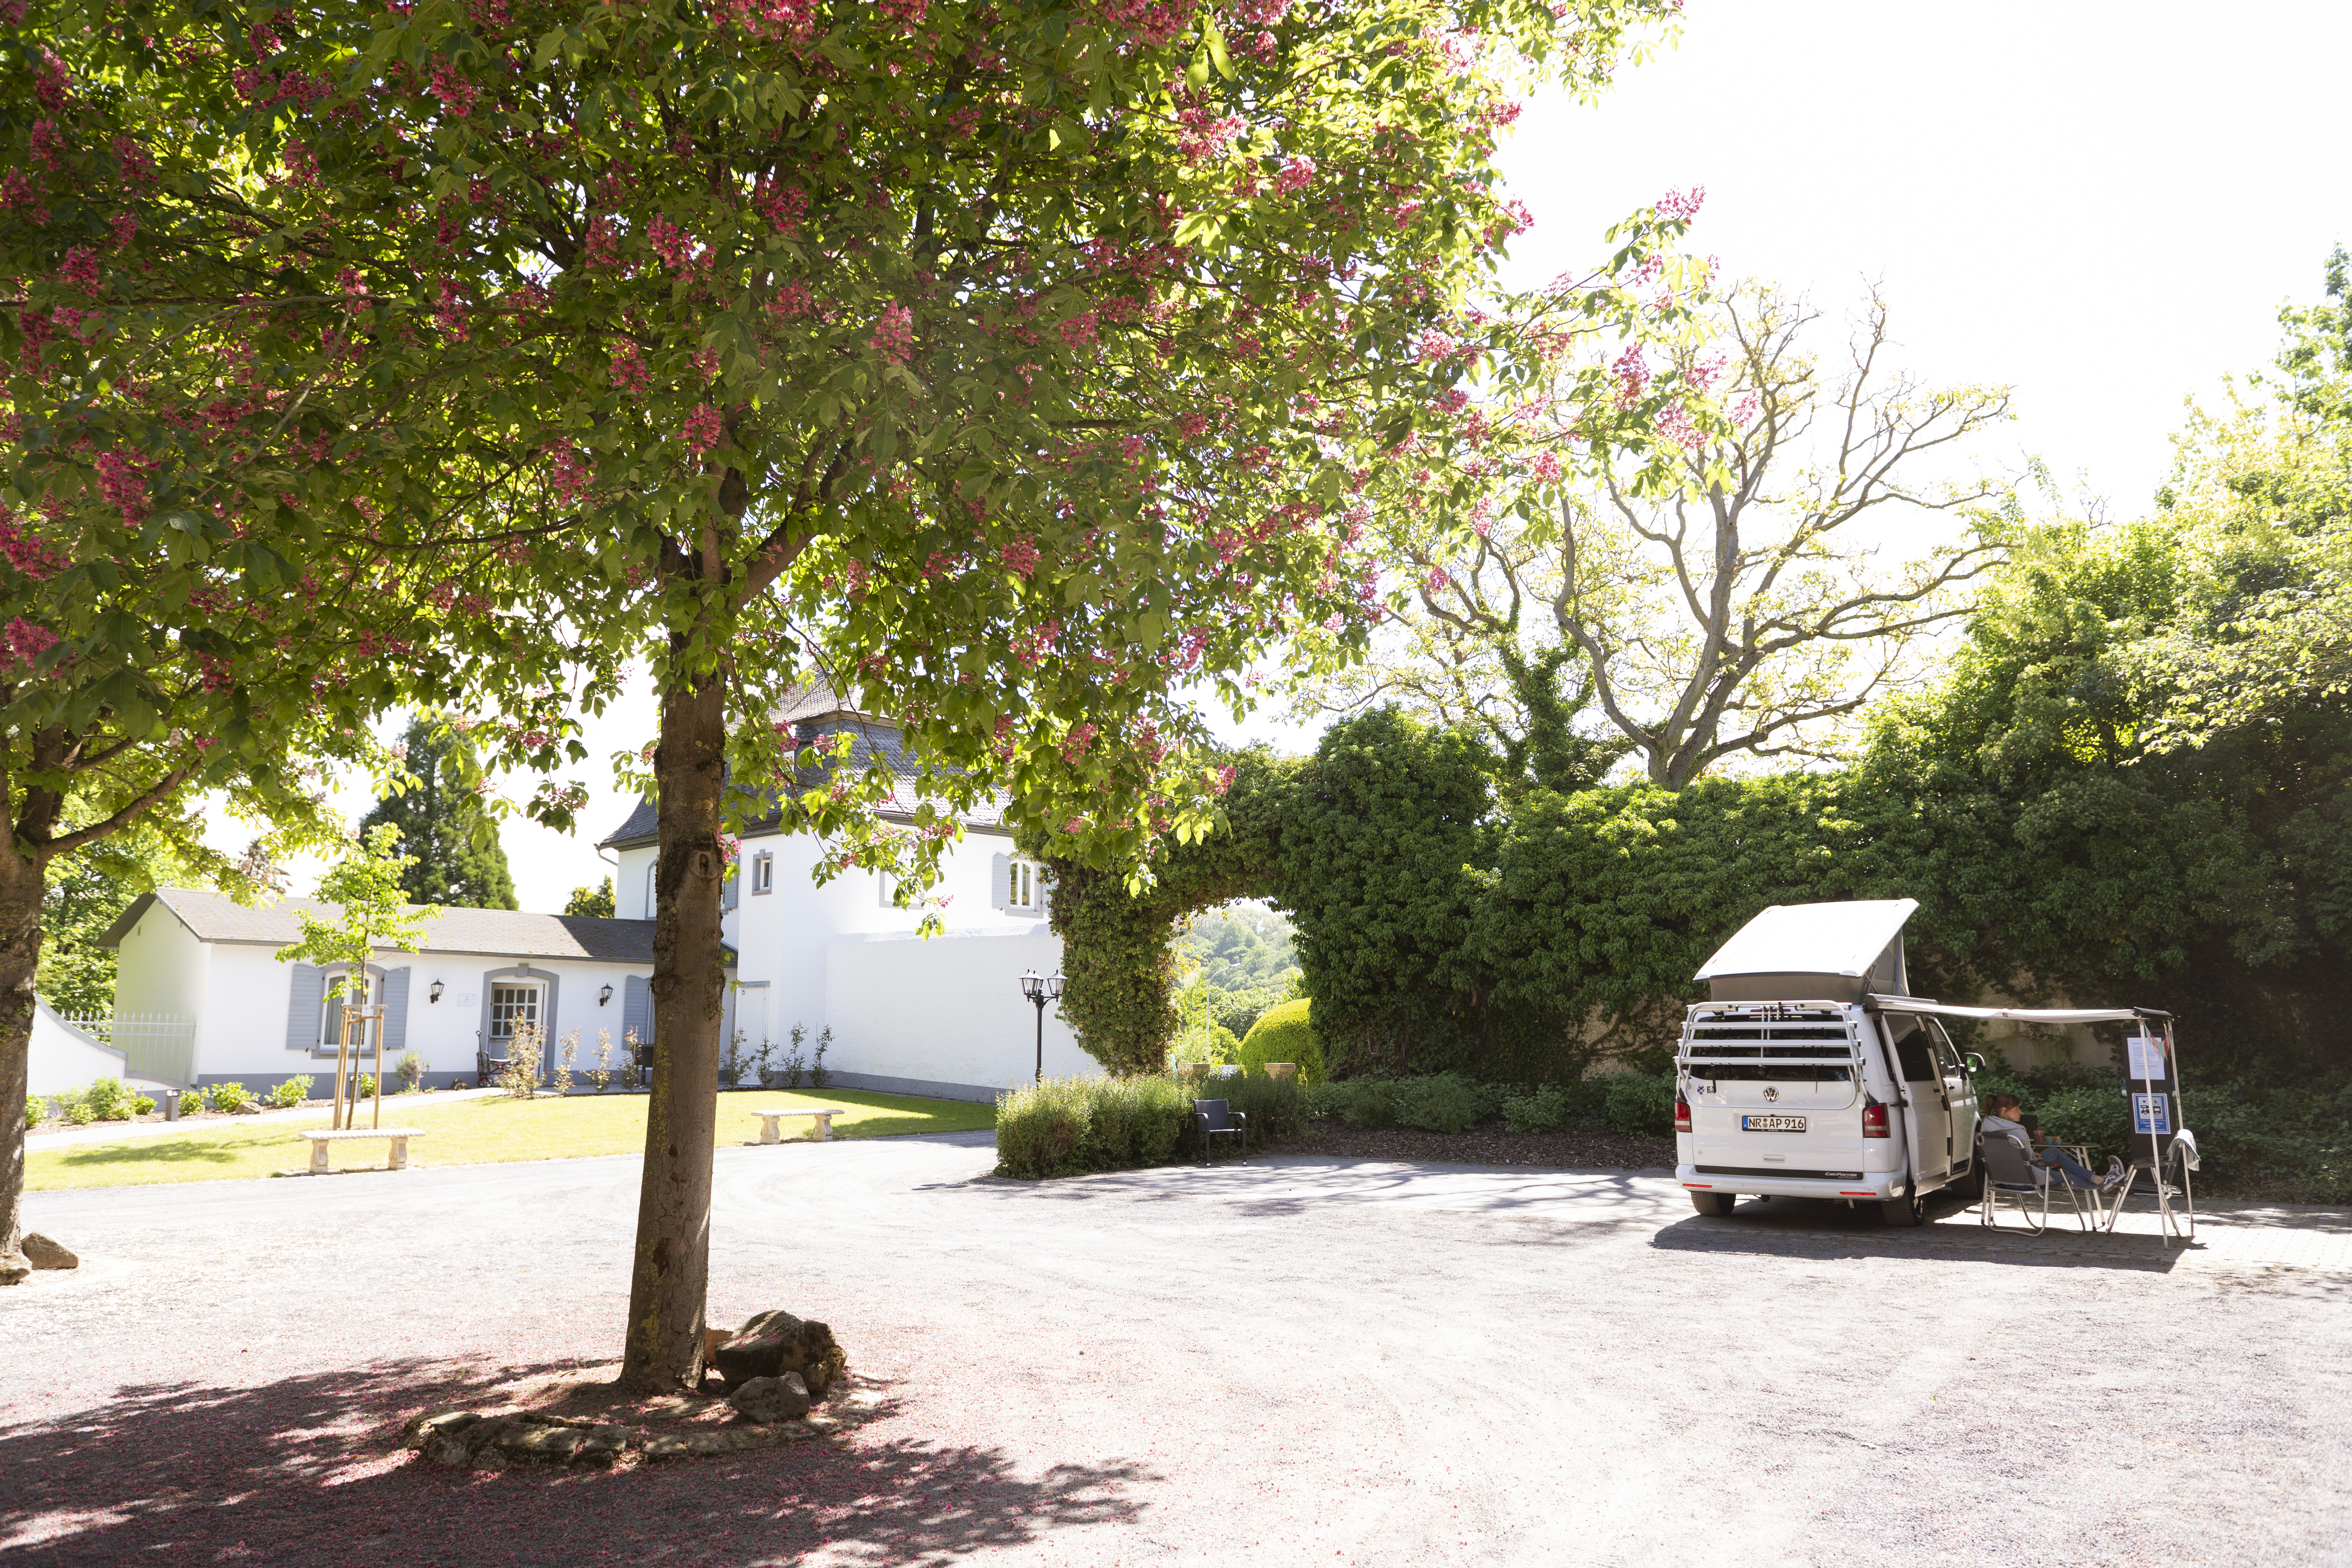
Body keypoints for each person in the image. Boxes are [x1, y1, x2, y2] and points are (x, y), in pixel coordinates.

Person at [1983, 1094, 2121, 1190]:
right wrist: (2031, 1158)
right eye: (2016, 1109)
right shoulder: (2017, 1132)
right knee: (2074, 1179)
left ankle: (2104, 1181)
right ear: (2004, 1110)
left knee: (2053, 1152)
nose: (2021, 1111)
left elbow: (2005, 1156)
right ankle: (2104, 1181)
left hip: (2001, 1179)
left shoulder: (1986, 1127)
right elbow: (2027, 1161)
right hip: (2025, 1181)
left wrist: (2031, 1157)